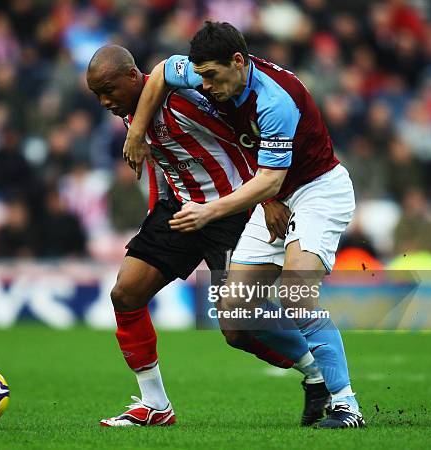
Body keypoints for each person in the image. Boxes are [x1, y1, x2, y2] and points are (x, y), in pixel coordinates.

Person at [123, 22, 364, 429]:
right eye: (200, 77)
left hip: (317, 190)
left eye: (212, 77)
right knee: (235, 316)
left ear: (238, 61)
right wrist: (137, 131)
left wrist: (209, 211)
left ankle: (346, 406)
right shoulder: (202, 73)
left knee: (295, 294)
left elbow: (271, 178)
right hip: (276, 192)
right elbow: (162, 72)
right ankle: (315, 373)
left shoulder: (276, 101)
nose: (205, 87)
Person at [87, 45, 327, 428]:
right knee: (125, 293)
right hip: (181, 211)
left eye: (108, 89)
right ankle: (155, 405)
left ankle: (317, 371)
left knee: (237, 328)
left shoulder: (183, 101)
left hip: (231, 214)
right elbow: (163, 162)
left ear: (133, 77)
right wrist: (154, 214)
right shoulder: (132, 112)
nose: (104, 101)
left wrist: (269, 200)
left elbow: (241, 142)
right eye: (97, 94)